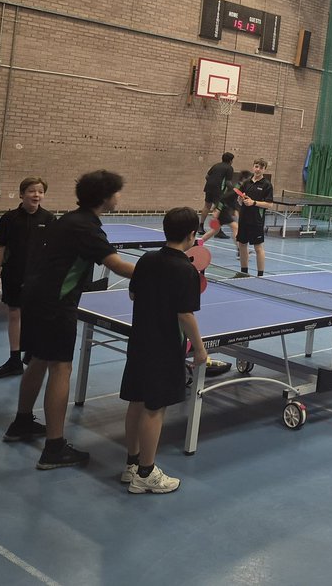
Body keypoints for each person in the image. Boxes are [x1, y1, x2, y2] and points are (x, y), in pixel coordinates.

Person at [10, 170, 137, 467]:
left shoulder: (70, 219)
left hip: (37, 298)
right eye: (117, 192)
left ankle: (22, 422)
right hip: (55, 304)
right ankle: (54, 448)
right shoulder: (86, 227)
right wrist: (164, 271)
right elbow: (117, 265)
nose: (119, 197)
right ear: (105, 197)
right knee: (60, 367)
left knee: (39, 359)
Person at [119, 207, 208, 495]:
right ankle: (146, 473)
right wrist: (200, 350)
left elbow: (133, 293)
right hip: (165, 345)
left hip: (139, 341)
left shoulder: (146, 259)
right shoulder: (186, 269)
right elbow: (186, 315)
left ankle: (132, 465)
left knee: (136, 400)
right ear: (192, 235)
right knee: (155, 409)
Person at [0, 176, 55, 379]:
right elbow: (0, 248)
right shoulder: (9, 218)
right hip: (14, 274)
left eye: (40, 191)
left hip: (38, 278)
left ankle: (33, 354)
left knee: (35, 316)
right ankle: (14, 359)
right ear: (22, 194)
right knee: (15, 314)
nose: (36, 195)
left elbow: (54, 250)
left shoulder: (49, 219)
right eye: (32, 191)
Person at [233, 159, 274, 276]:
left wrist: (253, 203)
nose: (258, 169)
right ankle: (243, 272)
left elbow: (269, 204)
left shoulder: (267, 185)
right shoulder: (246, 183)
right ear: (253, 167)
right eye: (256, 166)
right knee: (242, 245)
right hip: (244, 218)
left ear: (264, 169)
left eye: (261, 168)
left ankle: (260, 275)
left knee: (258, 247)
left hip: (257, 220)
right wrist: (241, 199)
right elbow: (240, 201)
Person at [199, 152, 234, 234]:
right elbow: (228, 182)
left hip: (208, 187)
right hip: (218, 190)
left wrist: (212, 183)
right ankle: (217, 231)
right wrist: (233, 190)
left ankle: (200, 226)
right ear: (230, 160)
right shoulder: (229, 168)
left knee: (207, 206)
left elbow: (207, 176)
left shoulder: (215, 165)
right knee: (218, 209)